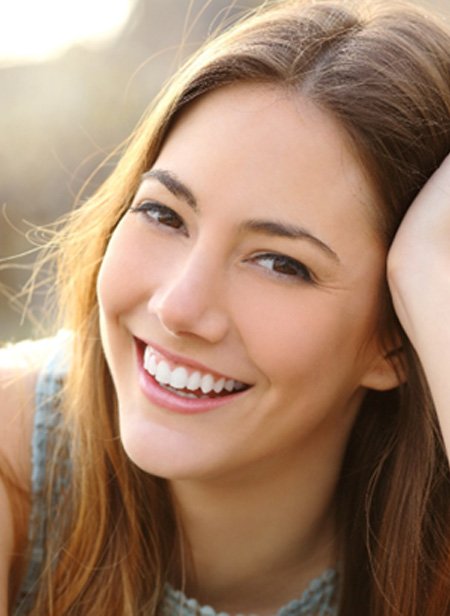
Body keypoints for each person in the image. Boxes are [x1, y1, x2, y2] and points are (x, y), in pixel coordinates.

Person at [1, 0, 449, 614]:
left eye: (280, 263)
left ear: (397, 339)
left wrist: (429, 260)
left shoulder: (428, 558)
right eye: (163, 214)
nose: (179, 305)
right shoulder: (12, 458)